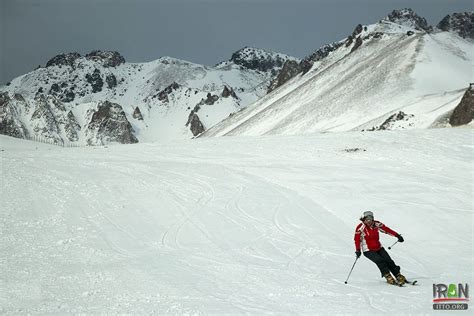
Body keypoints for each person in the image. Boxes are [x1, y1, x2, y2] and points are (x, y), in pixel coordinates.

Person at [354, 211, 406, 285]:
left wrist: (397, 235)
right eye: (366, 219)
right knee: (380, 261)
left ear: (372, 218)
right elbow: (357, 240)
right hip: (368, 250)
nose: (368, 221)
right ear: (363, 219)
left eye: (370, 219)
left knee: (389, 260)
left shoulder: (376, 224)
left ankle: (398, 275)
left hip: (379, 247)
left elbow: (386, 229)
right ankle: (387, 276)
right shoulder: (360, 228)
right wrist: (358, 250)